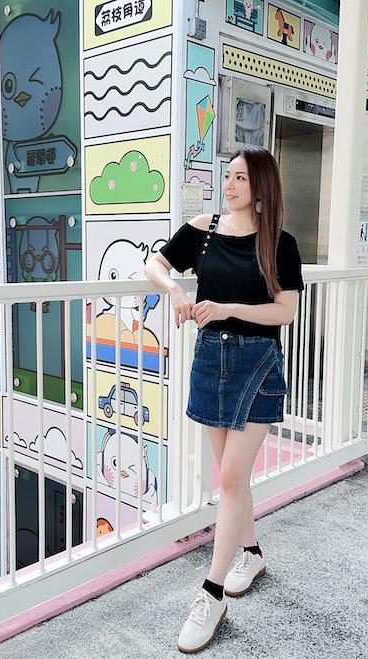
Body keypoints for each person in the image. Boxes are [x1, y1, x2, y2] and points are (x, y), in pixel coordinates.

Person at [143, 145, 304, 654]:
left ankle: (210, 594)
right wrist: (174, 290)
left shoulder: (279, 243)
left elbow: (285, 312)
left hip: (258, 361)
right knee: (233, 479)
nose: (229, 185)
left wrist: (230, 306)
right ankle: (250, 552)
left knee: (231, 479)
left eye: (240, 178)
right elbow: (154, 262)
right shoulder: (204, 230)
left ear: (260, 187)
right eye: (227, 176)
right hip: (212, 359)